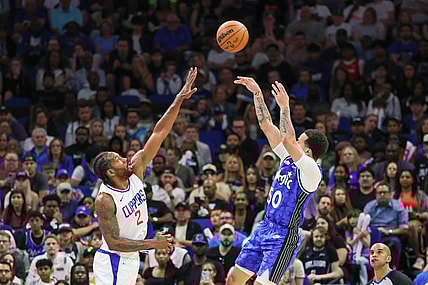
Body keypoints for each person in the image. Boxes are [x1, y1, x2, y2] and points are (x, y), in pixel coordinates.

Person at [92, 67, 198, 285]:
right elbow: (113, 242)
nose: (125, 158)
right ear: (111, 172)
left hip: (130, 259)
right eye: (119, 159)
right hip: (113, 260)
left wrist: (178, 100)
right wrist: (153, 244)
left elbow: (159, 133)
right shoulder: (105, 200)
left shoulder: (136, 168)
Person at [227, 77, 329, 285]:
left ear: (308, 150)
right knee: (233, 279)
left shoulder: (312, 171)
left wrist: (285, 107)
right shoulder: (288, 158)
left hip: (284, 236)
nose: (294, 142)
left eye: (300, 141)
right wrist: (257, 94)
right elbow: (266, 125)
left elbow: (287, 139)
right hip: (265, 226)